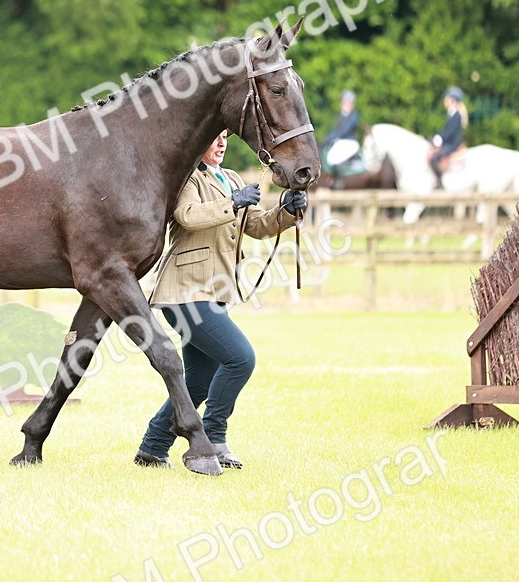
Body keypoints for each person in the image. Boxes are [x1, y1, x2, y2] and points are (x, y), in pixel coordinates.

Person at [135, 130, 306, 470]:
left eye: (225, 137)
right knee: (241, 359)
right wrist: (233, 202)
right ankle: (214, 436)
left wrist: (286, 211)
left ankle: (153, 447)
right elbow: (188, 215)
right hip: (183, 293)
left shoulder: (229, 178)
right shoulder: (187, 175)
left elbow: (254, 226)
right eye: (215, 137)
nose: (222, 142)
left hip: (212, 293)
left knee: (197, 382)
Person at [427, 86, 467, 183]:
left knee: (434, 158)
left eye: (447, 98)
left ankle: (439, 183)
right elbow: (446, 131)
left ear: (452, 100)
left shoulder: (456, 114)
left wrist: (439, 139)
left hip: (453, 144)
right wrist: (437, 137)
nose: (445, 100)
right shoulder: (451, 113)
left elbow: (450, 132)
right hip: (449, 142)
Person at [323, 90, 361, 180]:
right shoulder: (341, 114)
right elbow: (335, 129)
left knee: (333, 159)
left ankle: (340, 179)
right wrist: (327, 138)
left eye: (347, 102)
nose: (345, 104)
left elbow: (345, 130)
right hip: (340, 141)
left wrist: (334, 137)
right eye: (344, 102)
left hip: (350, 142)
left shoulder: (353, 115)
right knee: (329, 157)